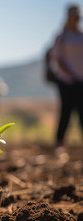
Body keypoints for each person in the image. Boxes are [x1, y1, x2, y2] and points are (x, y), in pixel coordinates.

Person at [49, 4, 83, 149]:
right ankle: (60, 142)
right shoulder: (62, 37)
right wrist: (70, 74)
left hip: (81, 80)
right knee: (66, 110)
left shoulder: (81, 36)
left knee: (82, 110)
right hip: (66, 80)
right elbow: (57, 58)